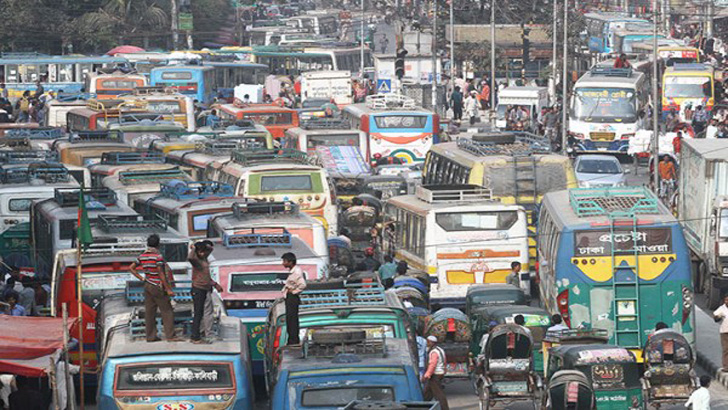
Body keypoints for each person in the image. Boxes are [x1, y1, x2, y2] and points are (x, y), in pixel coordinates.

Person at [129, 234, 178, 342]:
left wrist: (142, 278)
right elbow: (161, 274)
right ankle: (170, 336)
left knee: (150, 312)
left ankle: (150, 336)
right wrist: (168, 289)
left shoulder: (142, 256)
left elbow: (131, 268)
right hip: (157, 286)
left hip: (147, 285)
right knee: (167, 310)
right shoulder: (158, 257)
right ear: (158, 244)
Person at [189, 241, 222, 344]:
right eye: (201, 252)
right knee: (198, 313)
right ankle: (195, 337)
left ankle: (205, 333)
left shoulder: (204, 259)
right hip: (198, 289)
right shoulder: (196, 261)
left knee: (206, 312)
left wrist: (215, 284)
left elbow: (210, 249)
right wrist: (194, 248)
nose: (203, 253)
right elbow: (190, 257)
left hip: (205, 288)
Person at [282, 252, 306, 345]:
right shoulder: (292, 271)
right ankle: (291, 339)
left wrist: (294, 291)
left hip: (292, 298)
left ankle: (293, 340)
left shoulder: (297, 272)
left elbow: (302, 285)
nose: (283, 263)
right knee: (290, 319)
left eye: (285, 261)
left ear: (290, 262)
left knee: (292, 320)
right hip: (289, 297)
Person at [423, 335, 449, 410]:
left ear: (431, 342)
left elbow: (432, 365)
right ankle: (423, 405)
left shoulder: (434, 352)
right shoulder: (440, 350)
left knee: (439, 394)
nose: (427, 343)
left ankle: (444, 408)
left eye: (428, 342)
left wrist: (427, 375)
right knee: (427, 392)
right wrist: (444, 370)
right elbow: (444, 361)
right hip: (440, 373)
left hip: (435, 374)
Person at [714, 294, 728, 371]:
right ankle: (726, 367)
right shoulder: (721, 309)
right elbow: (716, 318)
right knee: (726, 349)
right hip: (725, 332)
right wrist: (719, 316)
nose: (727, 301)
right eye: (726, 300)